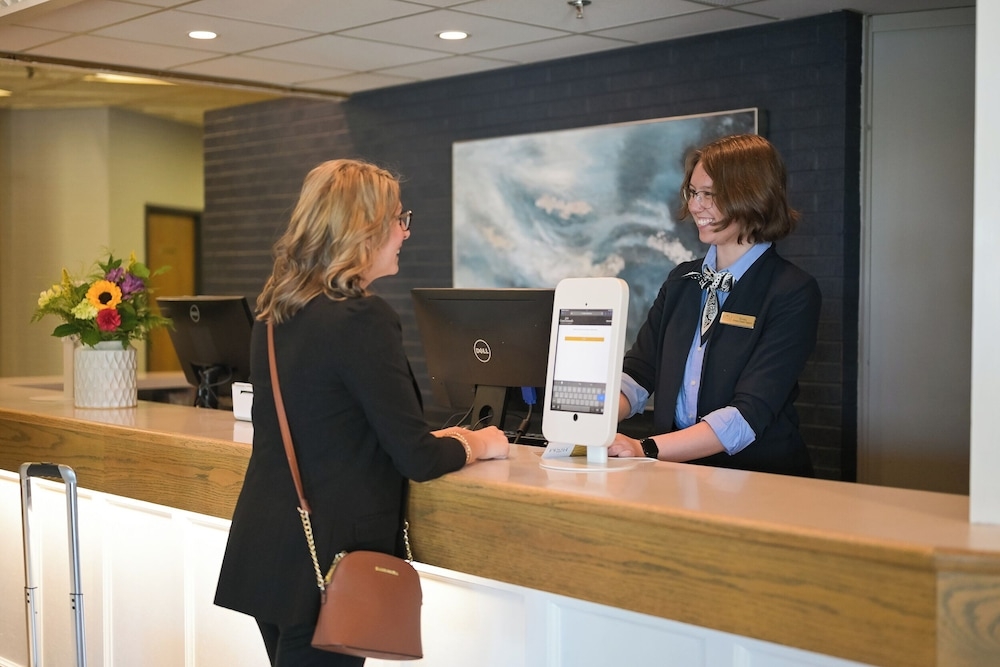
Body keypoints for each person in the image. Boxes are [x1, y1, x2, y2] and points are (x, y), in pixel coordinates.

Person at [214, 159, 509, 666]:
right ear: (362, 229)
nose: (405, 232)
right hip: (327, 564)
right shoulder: (361, 318)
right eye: (398, 219)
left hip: (269, 551)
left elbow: (333, 423)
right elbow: (416, 457)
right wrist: (477, 442)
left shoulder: (274, 313)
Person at [609, 134, 820, 477]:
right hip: (675, 474)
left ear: (752, 194)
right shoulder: (681, 280)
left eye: (710, 194)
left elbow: (747, 414)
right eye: (693, 192)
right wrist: (591, 420)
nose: (696, 206)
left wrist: (645, 448)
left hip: (759, 481)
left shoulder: (792, 291)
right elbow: (639, 373)